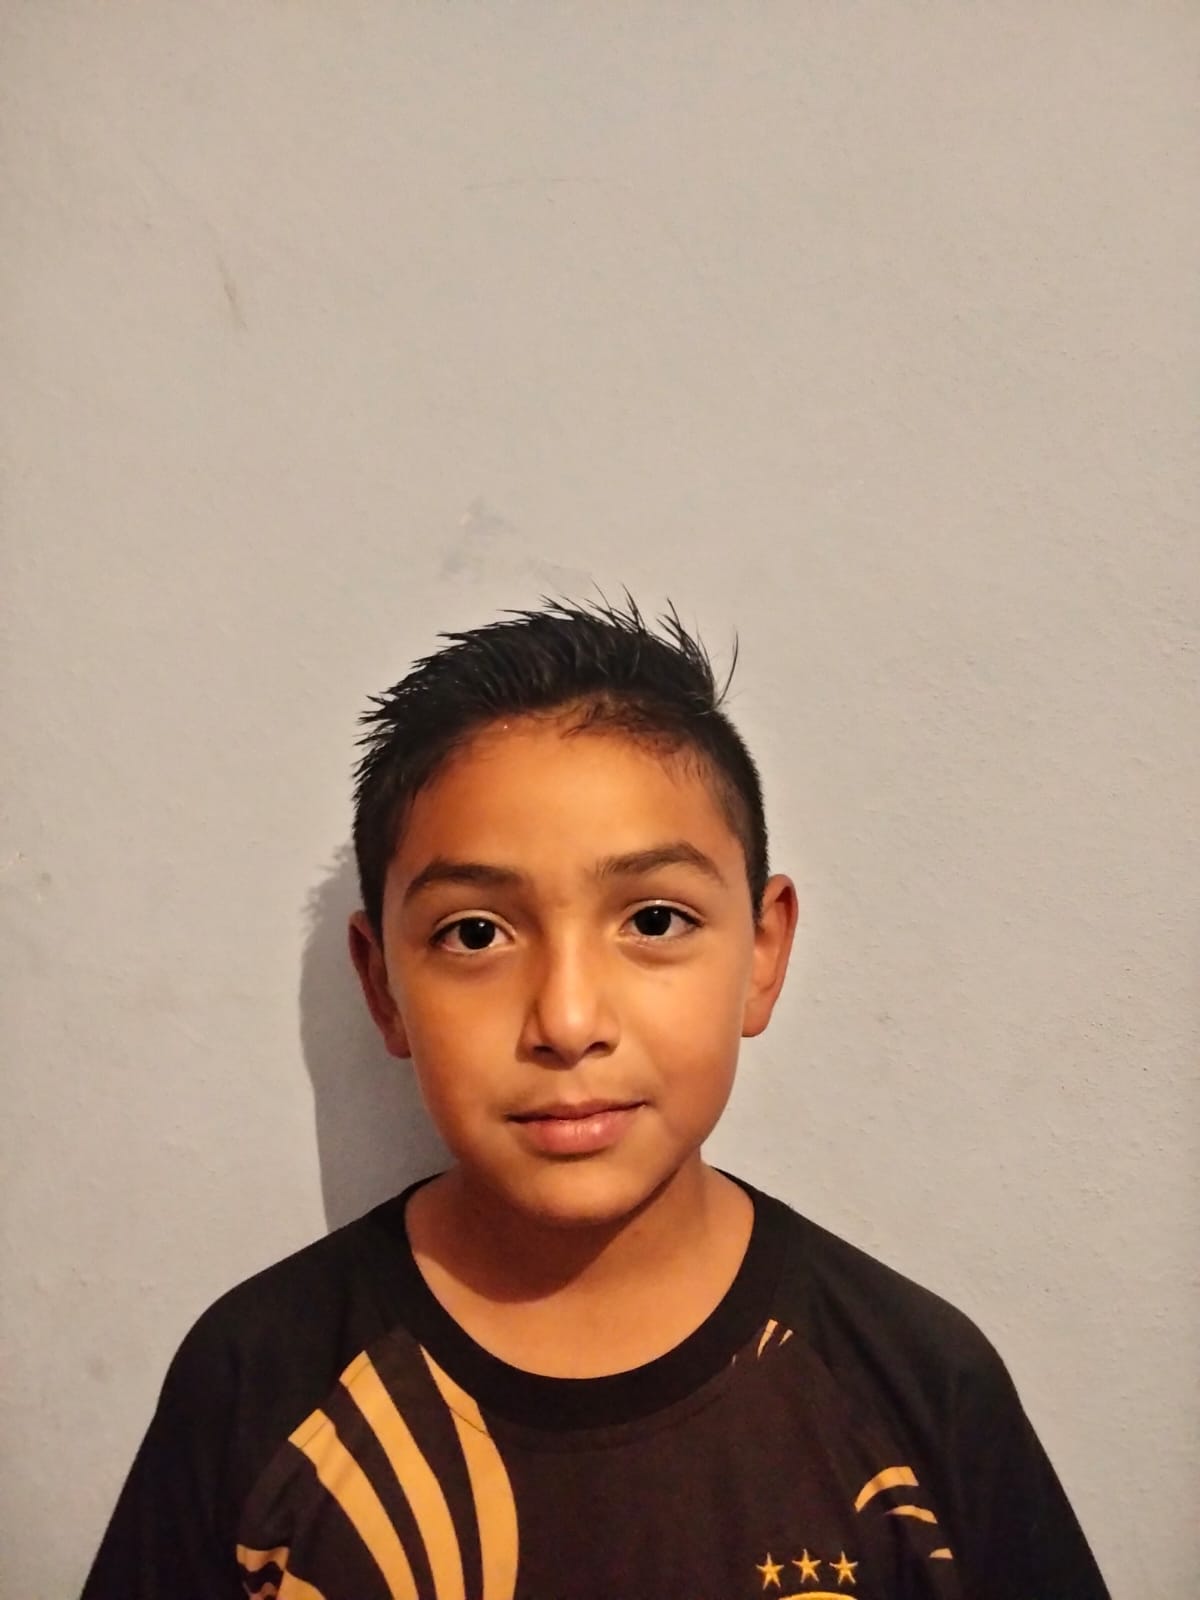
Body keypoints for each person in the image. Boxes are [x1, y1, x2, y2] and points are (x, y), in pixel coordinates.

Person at [81, 596, 1110, 1599]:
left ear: (762, 952)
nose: (568, 1021)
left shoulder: (917, 1390)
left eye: (654, 920)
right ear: (381, 984)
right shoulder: (257, 1383)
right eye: (476, 933)